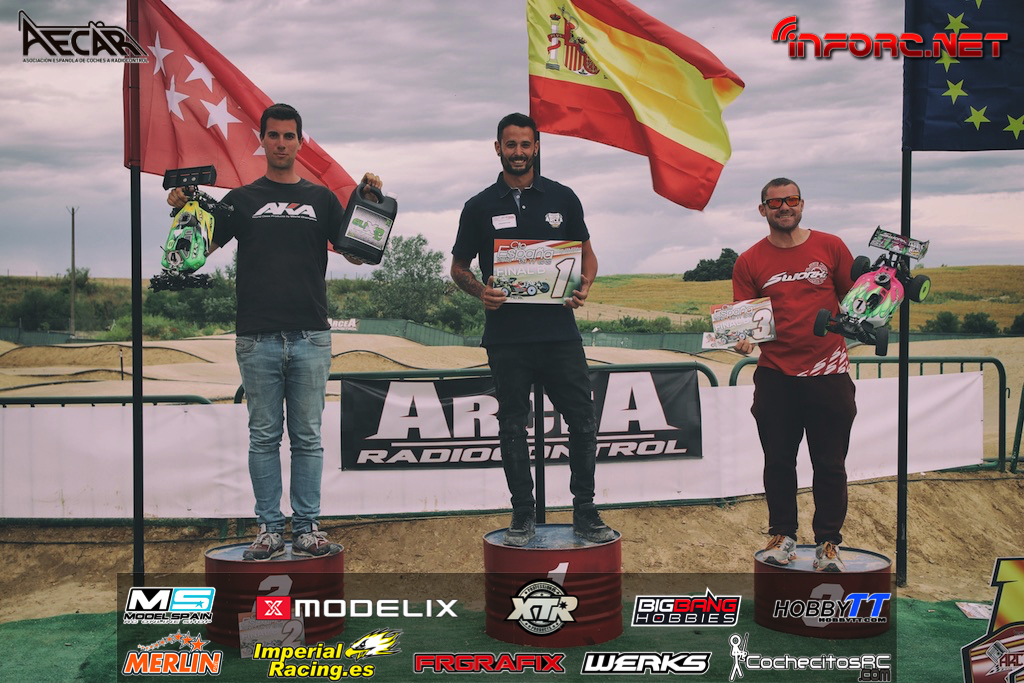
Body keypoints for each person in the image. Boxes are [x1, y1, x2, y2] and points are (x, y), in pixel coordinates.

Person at [167, 103, 382, 561]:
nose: (281, 143)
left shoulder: (322, 199)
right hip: (257, 336)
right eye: (274, 135)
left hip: (311, 336)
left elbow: (358, 253)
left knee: (307, 438)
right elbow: (195, 251)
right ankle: (268, 529)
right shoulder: (240, 199)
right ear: (261, 140)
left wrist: (370, 206)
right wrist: (185, 209)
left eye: (289, 136)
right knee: (264, 437)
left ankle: (306, 528)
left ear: (300, 142)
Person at [450, 112, 615, 547]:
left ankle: (585, 511)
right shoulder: (479, 206)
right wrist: (480, 292)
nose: (518, 152)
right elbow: (459, 268)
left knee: (582, 421)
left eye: (526, 144)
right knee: (511, 427)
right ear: (498, 148)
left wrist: (585, 285)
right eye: (511, 144)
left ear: (537, 147)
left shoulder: (563, 197)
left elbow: (587, 254)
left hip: (560, 334)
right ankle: (522, 514)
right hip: (508, 339)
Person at [732, 177, 857, 572]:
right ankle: (782, 536)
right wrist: (741, 339)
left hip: (829, 373)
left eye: (791, 200)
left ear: (802, 204)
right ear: (762, 210)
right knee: (778, 462)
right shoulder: (749, 260)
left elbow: (856, 301)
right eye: (775, 202)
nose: (784, 207)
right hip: (776, 376)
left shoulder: (831, 246)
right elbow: (744, 321)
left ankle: (828, 543)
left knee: (830, 464)